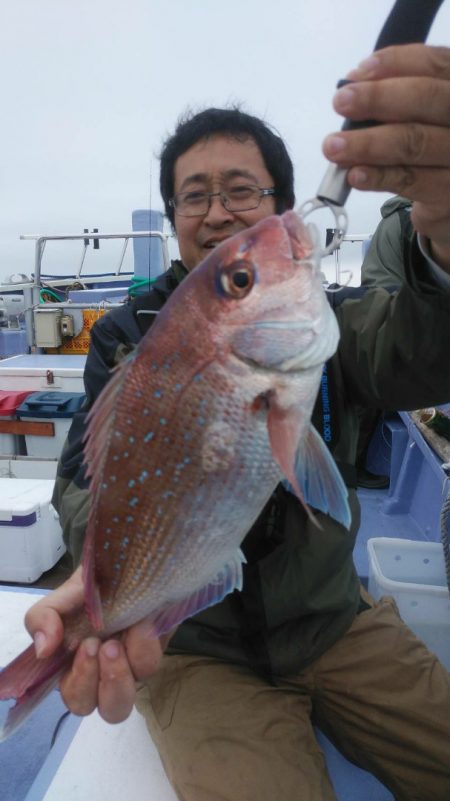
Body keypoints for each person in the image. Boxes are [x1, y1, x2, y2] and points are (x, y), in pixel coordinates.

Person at [26, 44, 450, 801]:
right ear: (174, 218)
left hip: (335, 619)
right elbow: (82, 482)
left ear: (285, 205)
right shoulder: (126, 337)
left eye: (242, 190)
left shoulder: (331, 323)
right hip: (194, 650)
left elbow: (422, 347)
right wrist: (107, 582)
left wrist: (444, 241)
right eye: (194, 195)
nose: (218, 211)